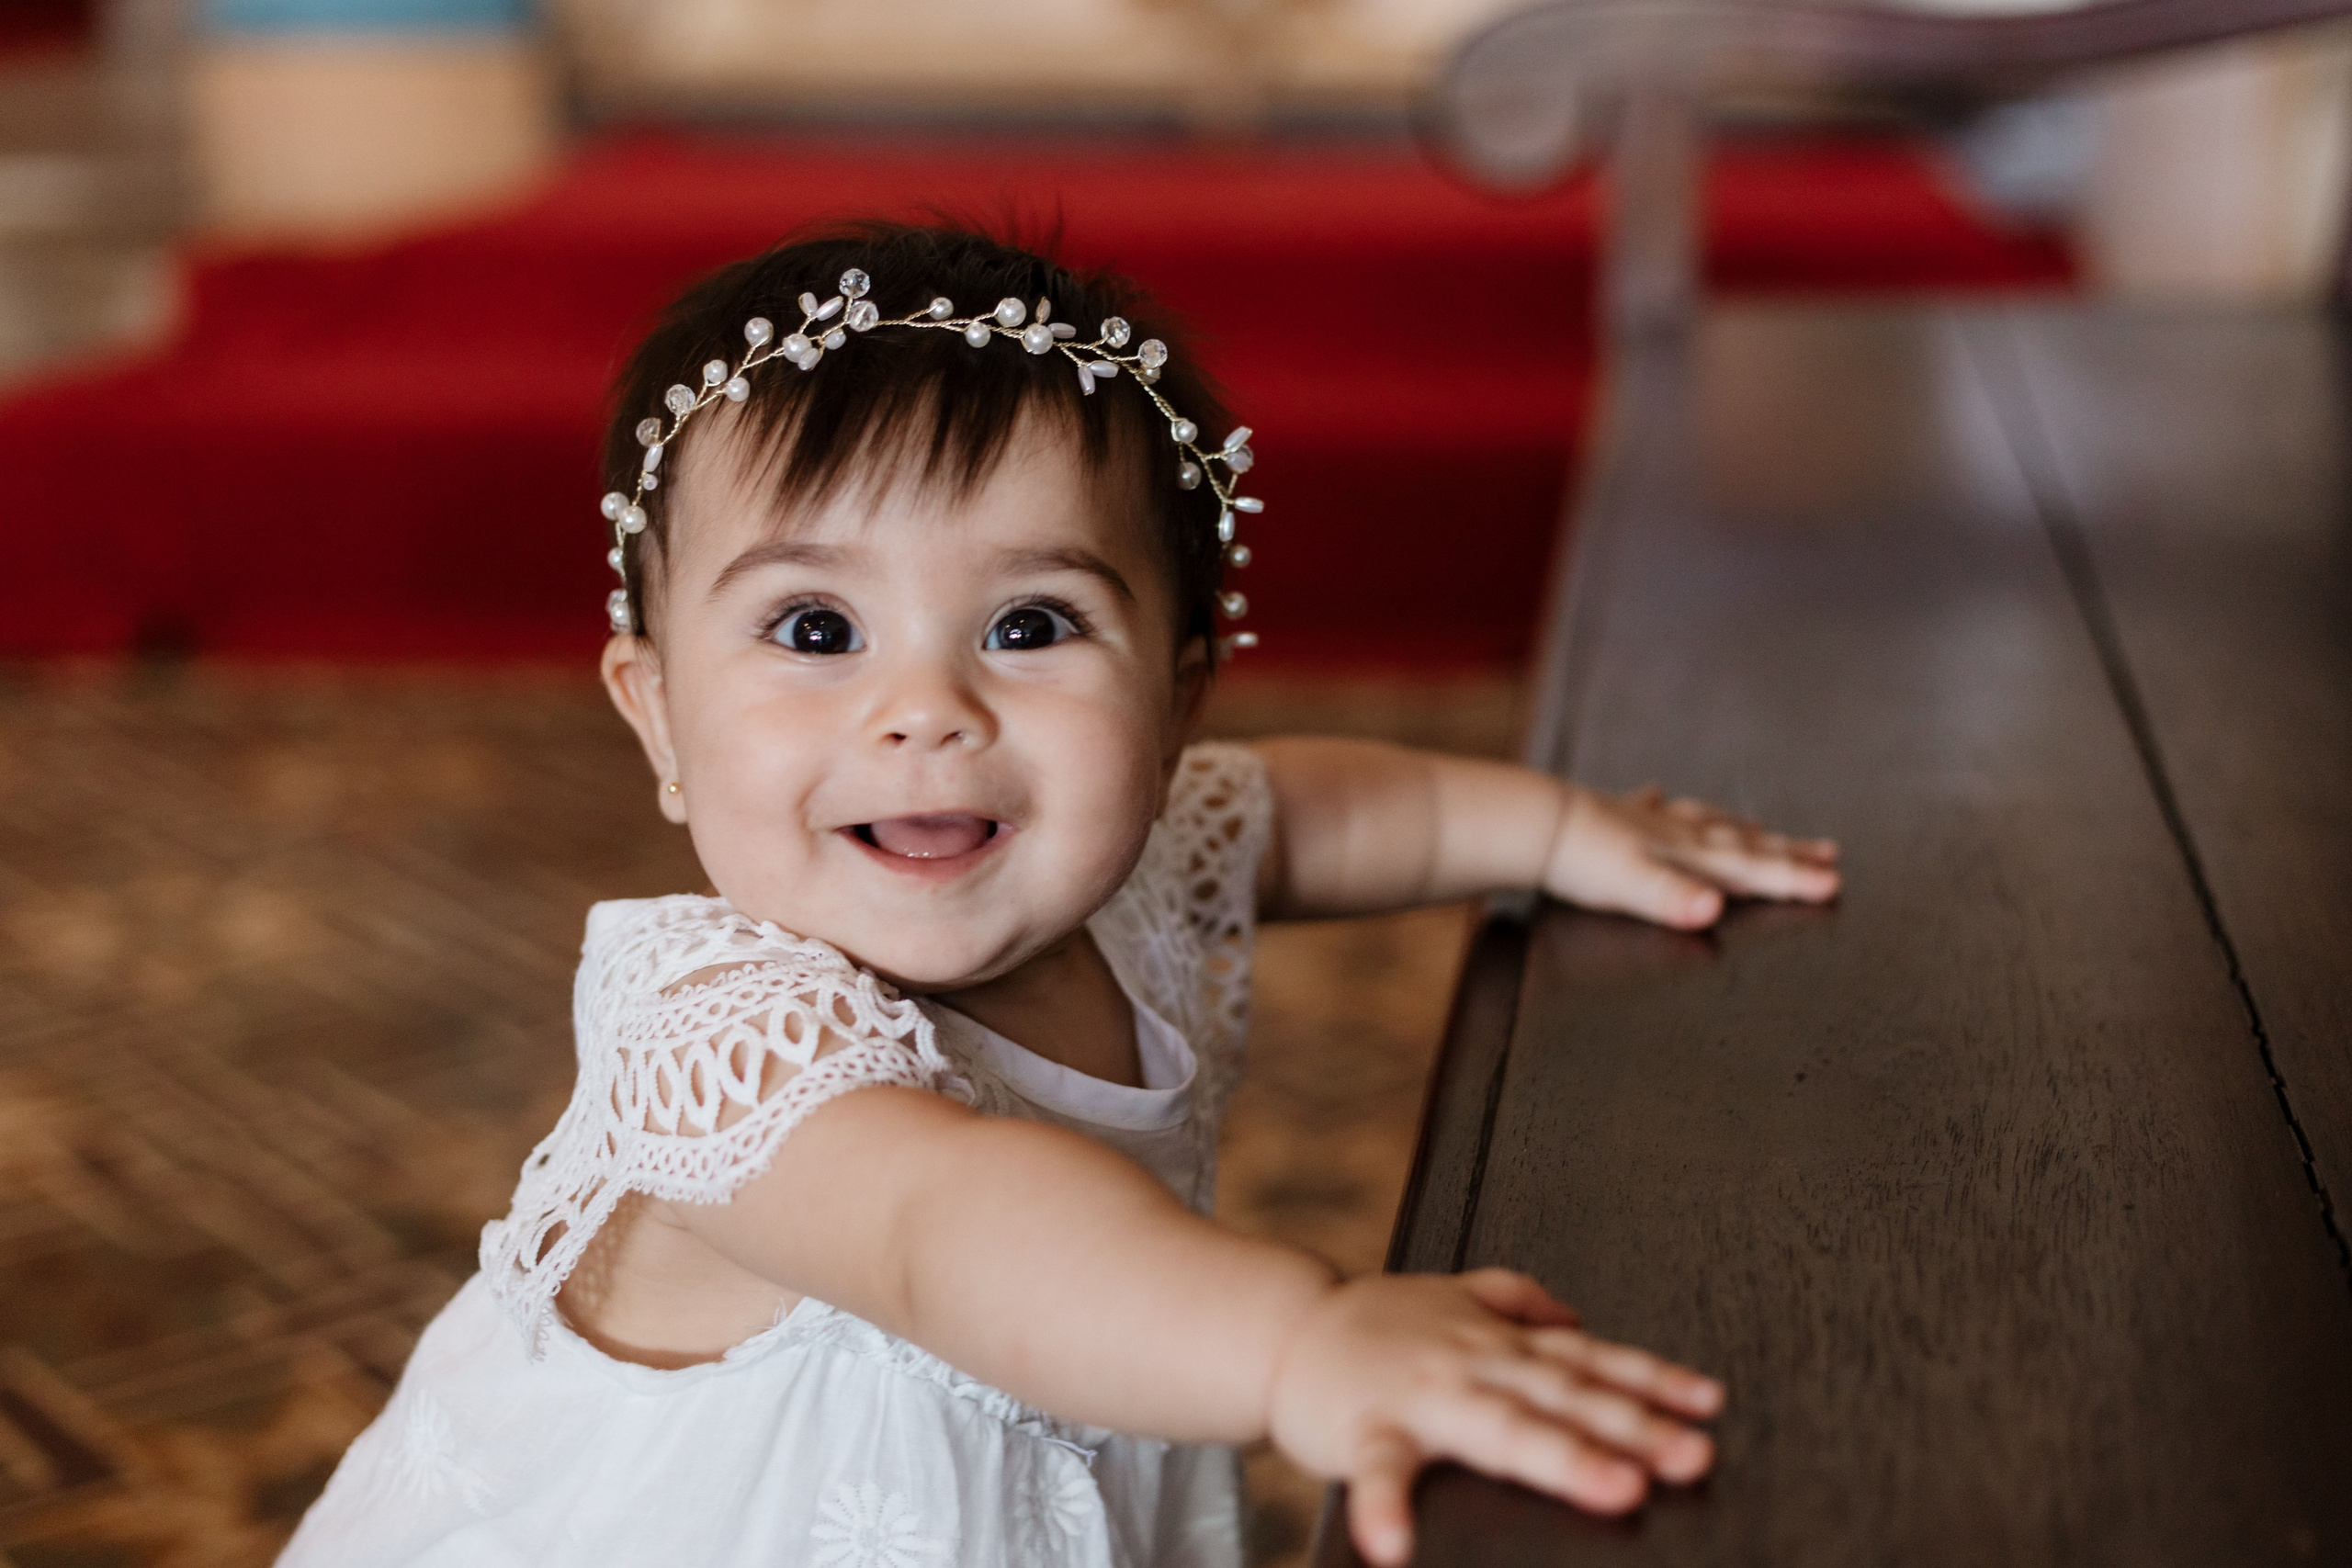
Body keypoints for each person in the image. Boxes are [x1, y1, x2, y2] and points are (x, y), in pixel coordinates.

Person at [280, 222, 1839, 1568]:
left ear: (1174, 704)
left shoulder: (1130, 873)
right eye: (817, 631)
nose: (925, 709)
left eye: (1028, 625)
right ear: (659, 720)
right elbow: (944, 1229)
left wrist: (1561, 831)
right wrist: (1302, 1343)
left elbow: (1322, 812)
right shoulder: (720, 1042)